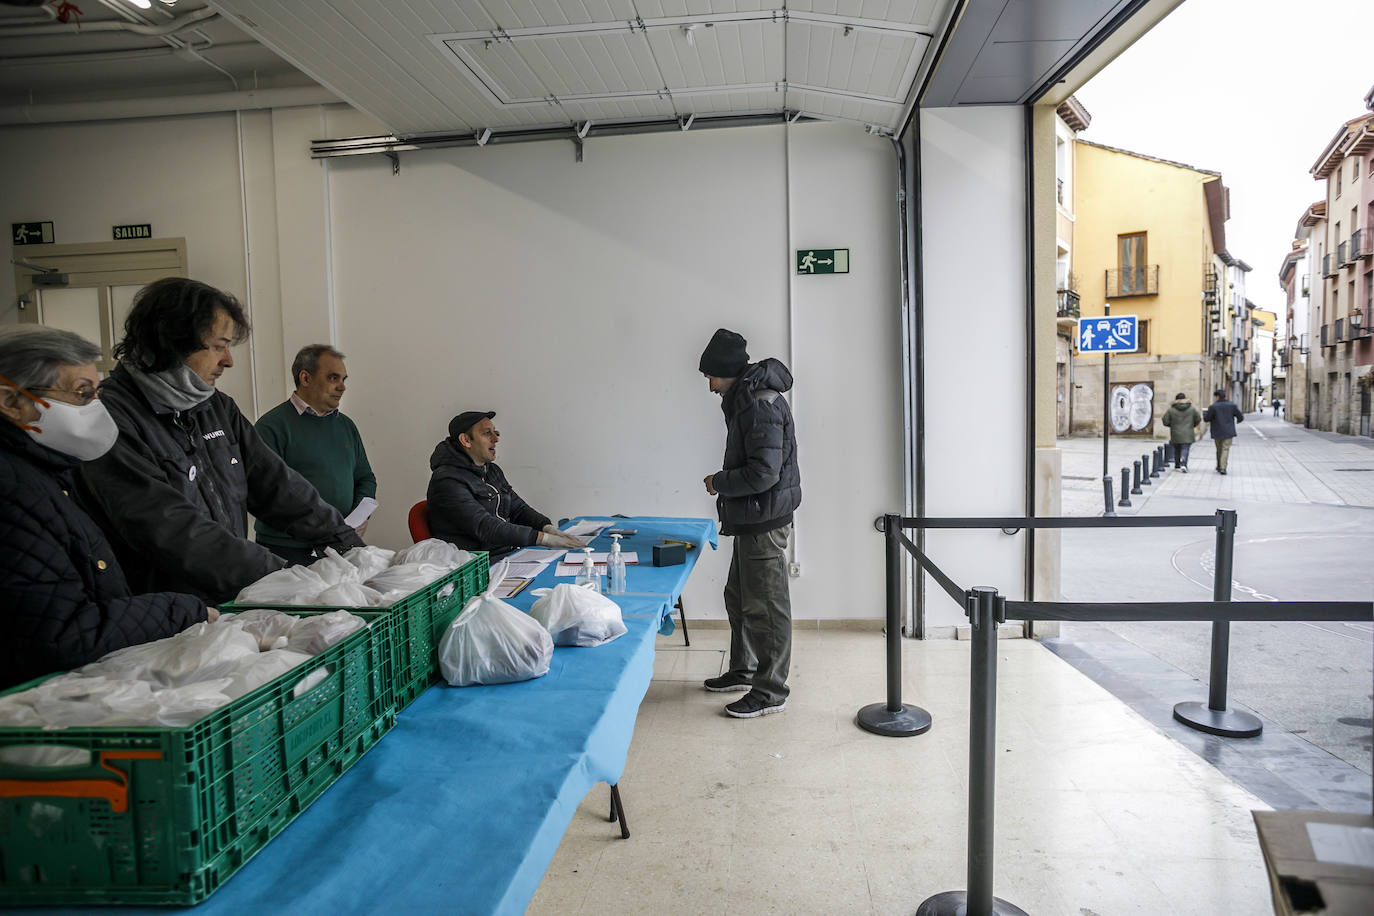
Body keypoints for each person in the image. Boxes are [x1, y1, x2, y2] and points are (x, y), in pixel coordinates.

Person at [78, 278, 363, 604]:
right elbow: (172, 529)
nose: (228, 360)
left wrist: (344, 541)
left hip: (228, 600)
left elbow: (274, 482)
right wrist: (282, 575)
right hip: (163, 613)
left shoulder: (214, 407)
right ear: (172, 341)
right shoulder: (113, 421)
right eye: (218, 346)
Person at [0, 326, 209, 688]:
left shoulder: (48, 472)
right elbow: (60, 635)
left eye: (96, 392)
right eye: (82, 394)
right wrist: (184, 610)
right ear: (11, 401)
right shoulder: (13, 487)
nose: (96, 407)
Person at [698, 328, 801, 719]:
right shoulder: (743, 398)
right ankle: (744, 670)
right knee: (739, 599)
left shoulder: (759, 404)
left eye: (711, 376)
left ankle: (771, 690)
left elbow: (763, 474)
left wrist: (719, 482)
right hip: (751, 517)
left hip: (765, 518)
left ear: (727, 372)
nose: (709, 386)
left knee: (767, 607)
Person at [253, 345, 377, 566]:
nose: (342, 387)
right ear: (305, 378)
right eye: (333, 378)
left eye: (344, 379)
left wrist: (360, 517)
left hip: (340, 545)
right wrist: (325, 528)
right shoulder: (271, 427)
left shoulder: (346, 426)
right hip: (288, 549)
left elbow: (365, 478)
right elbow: (268, 493)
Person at [427, 410, 585, 556]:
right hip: (478, 565)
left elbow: (518, 509)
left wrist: (547, 528)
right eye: (487, 433)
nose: (495, 439)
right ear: (466, 440)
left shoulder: (492, 470)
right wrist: (543, 539)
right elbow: (484, 526)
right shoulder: (447, 480)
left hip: (507, 553)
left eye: (495, 432)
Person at [1202, 388, 1244, 475]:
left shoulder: (1213, 406)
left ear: (1217, 397)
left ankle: (1219, 466)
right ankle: (1223, 467)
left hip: (1217, 431)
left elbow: (1207, 419)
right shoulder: (1232, 405)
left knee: (1219, 449)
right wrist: (1238, 421)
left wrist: (1205, 413)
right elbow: (1240, 416)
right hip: (1228, 431)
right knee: (1225, 449)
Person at [1160, 392, 1202, 473]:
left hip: (1175, 433)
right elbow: (1198, 419)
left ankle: (1177, 465)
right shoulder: (1191, 409)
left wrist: (1172, 425)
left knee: (1177, 449)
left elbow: (1165, 421)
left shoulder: (1171, 409)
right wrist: (1192, 425)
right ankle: (1184, 464)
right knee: (1185, 449)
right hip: (1188, 433)